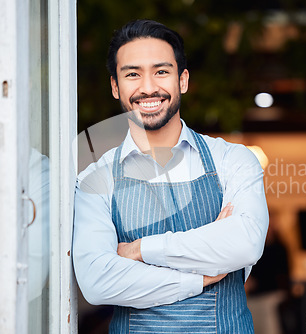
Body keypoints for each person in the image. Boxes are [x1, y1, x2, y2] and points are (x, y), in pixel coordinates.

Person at [73, 19, 269, 333]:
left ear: (183, 80)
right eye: (132, 74)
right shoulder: (95, 179)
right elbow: (98, 281)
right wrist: (200, 277)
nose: (148, 87)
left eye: (161, 71)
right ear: (115, 86)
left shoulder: (233, 160)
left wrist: (138, 251)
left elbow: (245, 244)